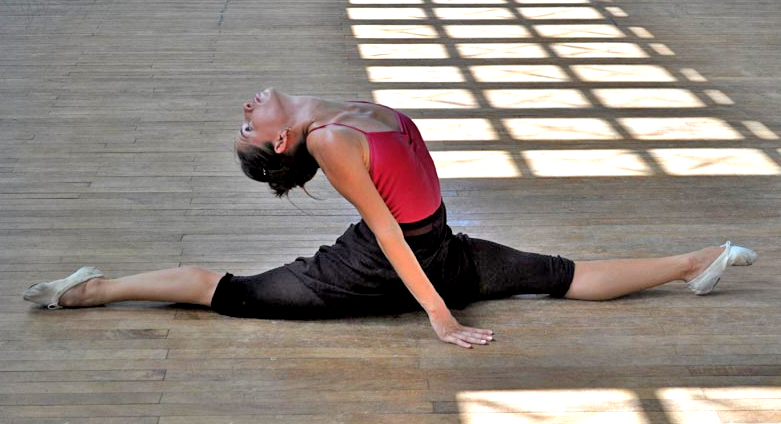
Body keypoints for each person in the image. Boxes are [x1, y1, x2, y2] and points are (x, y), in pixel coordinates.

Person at [23, 88, 758, 348]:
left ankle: (700, 259)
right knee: (235, 292)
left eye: (244, 124)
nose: (246, 113)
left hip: (430, 244)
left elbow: (397, 220)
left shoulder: (339, 113)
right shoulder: (332, 138)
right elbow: (381, 229)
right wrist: (437, 313)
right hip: (391, 260)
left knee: (559, 275)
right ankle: (86, 290)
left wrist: (436, 293)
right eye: (249, 128)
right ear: (283, 143)